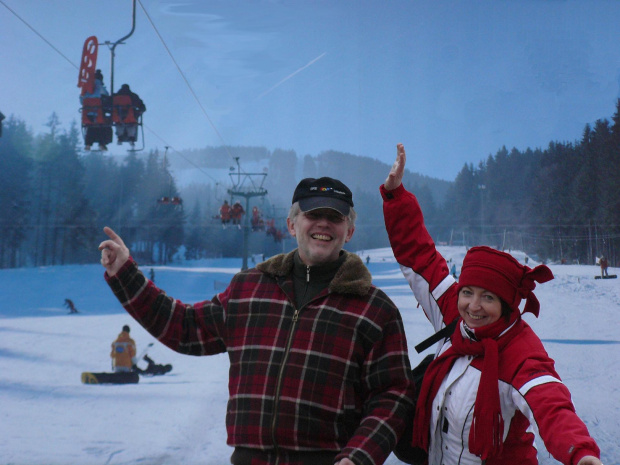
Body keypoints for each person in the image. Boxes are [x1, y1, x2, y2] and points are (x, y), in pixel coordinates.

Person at [99, 176, 415, 465]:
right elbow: (184, 327)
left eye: (335, 217)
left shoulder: (374, 309)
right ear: (292, 225)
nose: (323, 224)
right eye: (312, 215)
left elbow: (392, 395)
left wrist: (358, 458)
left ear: (349, 231)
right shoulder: (249, 289)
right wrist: (125, 274)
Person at [381, 144, 603, 465]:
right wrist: (396, 196)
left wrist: (580, 453)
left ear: (508, 303)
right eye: (467, 291)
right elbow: (420, 255)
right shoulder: (456, 318)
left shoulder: (519, 351)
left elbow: (551, 404)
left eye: (488, 297)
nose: (473, 306)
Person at [80, 69, 112, 151]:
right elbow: (107, 98)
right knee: (103, 126)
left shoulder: (85, 89)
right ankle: (102, 143)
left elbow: (81, 100)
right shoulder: (101, 88)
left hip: (87, 115)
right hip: (98, 115)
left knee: (91, 127)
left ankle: (88, 144)